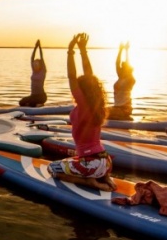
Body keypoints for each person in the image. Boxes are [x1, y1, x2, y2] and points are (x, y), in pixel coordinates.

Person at [48, 33, 116, 191]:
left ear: (81, 90)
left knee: (52, 168)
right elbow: (90, 76)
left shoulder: (84, 105)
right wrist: (83, 50)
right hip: (106, 163)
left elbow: (72, 76)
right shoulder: (97, 105)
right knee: (76, 161)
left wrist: (70, 51)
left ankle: (91, 182)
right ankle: (104, 177)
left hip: (90, 164)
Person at [106, 41, 135, 121]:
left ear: (127, 69)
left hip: (125, 109)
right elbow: (117, 63)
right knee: (99, 110)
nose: (121, 67)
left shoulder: (130, 80)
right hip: (117, 108)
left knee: (101, 113)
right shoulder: (120, 78)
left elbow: (127, 65)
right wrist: (120, 50)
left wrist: (126, 51)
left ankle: (124, 117)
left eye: (123, 67)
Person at [19, 39, 47, 107]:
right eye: (34, 64)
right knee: (21, 102)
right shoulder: (34, 71)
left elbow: (42, 58)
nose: (35, 65)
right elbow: (32, 58)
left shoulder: (43, 71)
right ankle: (35, 104)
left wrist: (39, 47)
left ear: (40, 65)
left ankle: (39, 104)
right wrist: (35, 47)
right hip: (33, 96)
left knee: (32, 104)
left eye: (37, 64)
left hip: (41, 96)